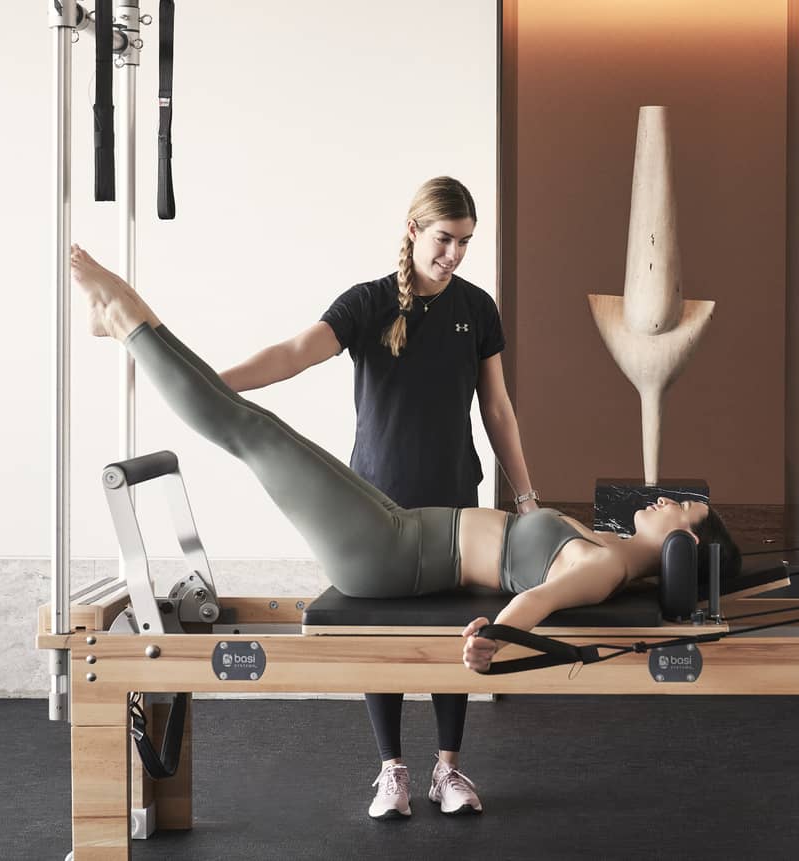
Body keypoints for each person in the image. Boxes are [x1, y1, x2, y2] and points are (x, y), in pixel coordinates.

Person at [69, 241, 742, 803]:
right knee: (255, 428)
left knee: (251, 432)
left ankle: (126, 316)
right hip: (400, 522)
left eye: (682, 505)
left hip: (386, 551)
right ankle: (122, 324)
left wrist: (494, 639)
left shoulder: (599, 566)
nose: (666, 497)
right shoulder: (613, 548)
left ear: (683, 542)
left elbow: (538, 599)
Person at [213, 177, 536, 819]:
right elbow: (294, 353)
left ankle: (449, 770)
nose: (455, 255)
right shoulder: (366, 303)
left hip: (454, 497)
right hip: (374, 499)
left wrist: (526, 497)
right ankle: (392, 770)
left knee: (458, 628)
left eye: (467, 242)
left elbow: (497, 407)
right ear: (414, 230)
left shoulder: (478, 308)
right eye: (445, 239)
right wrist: (213, 383)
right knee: (377, 632)